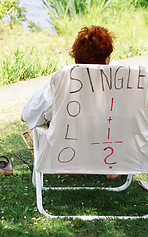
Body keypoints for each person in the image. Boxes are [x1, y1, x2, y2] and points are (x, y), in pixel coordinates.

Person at [21, 25, 119, 180]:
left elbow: (26, 115)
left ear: (75, 59)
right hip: (105, 146)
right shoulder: (123, 82)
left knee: (43, 117)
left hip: (67, 149)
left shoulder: (62, 82)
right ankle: (112, 164)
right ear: (107, 59)